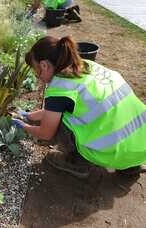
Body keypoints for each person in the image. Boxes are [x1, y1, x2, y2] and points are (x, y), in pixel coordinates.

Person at [12, 36, 146, 179]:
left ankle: (77, 163)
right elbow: (56, 109)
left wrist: (23, 126)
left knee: (63, 121)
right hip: (140, 148)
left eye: (36, 71)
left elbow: (46, 133)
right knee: (74, 112)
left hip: (114, 153)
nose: (37, 76)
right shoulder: (86, 65)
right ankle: (131, 165)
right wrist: (28, 116)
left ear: (44, 65)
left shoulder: (60, 88)